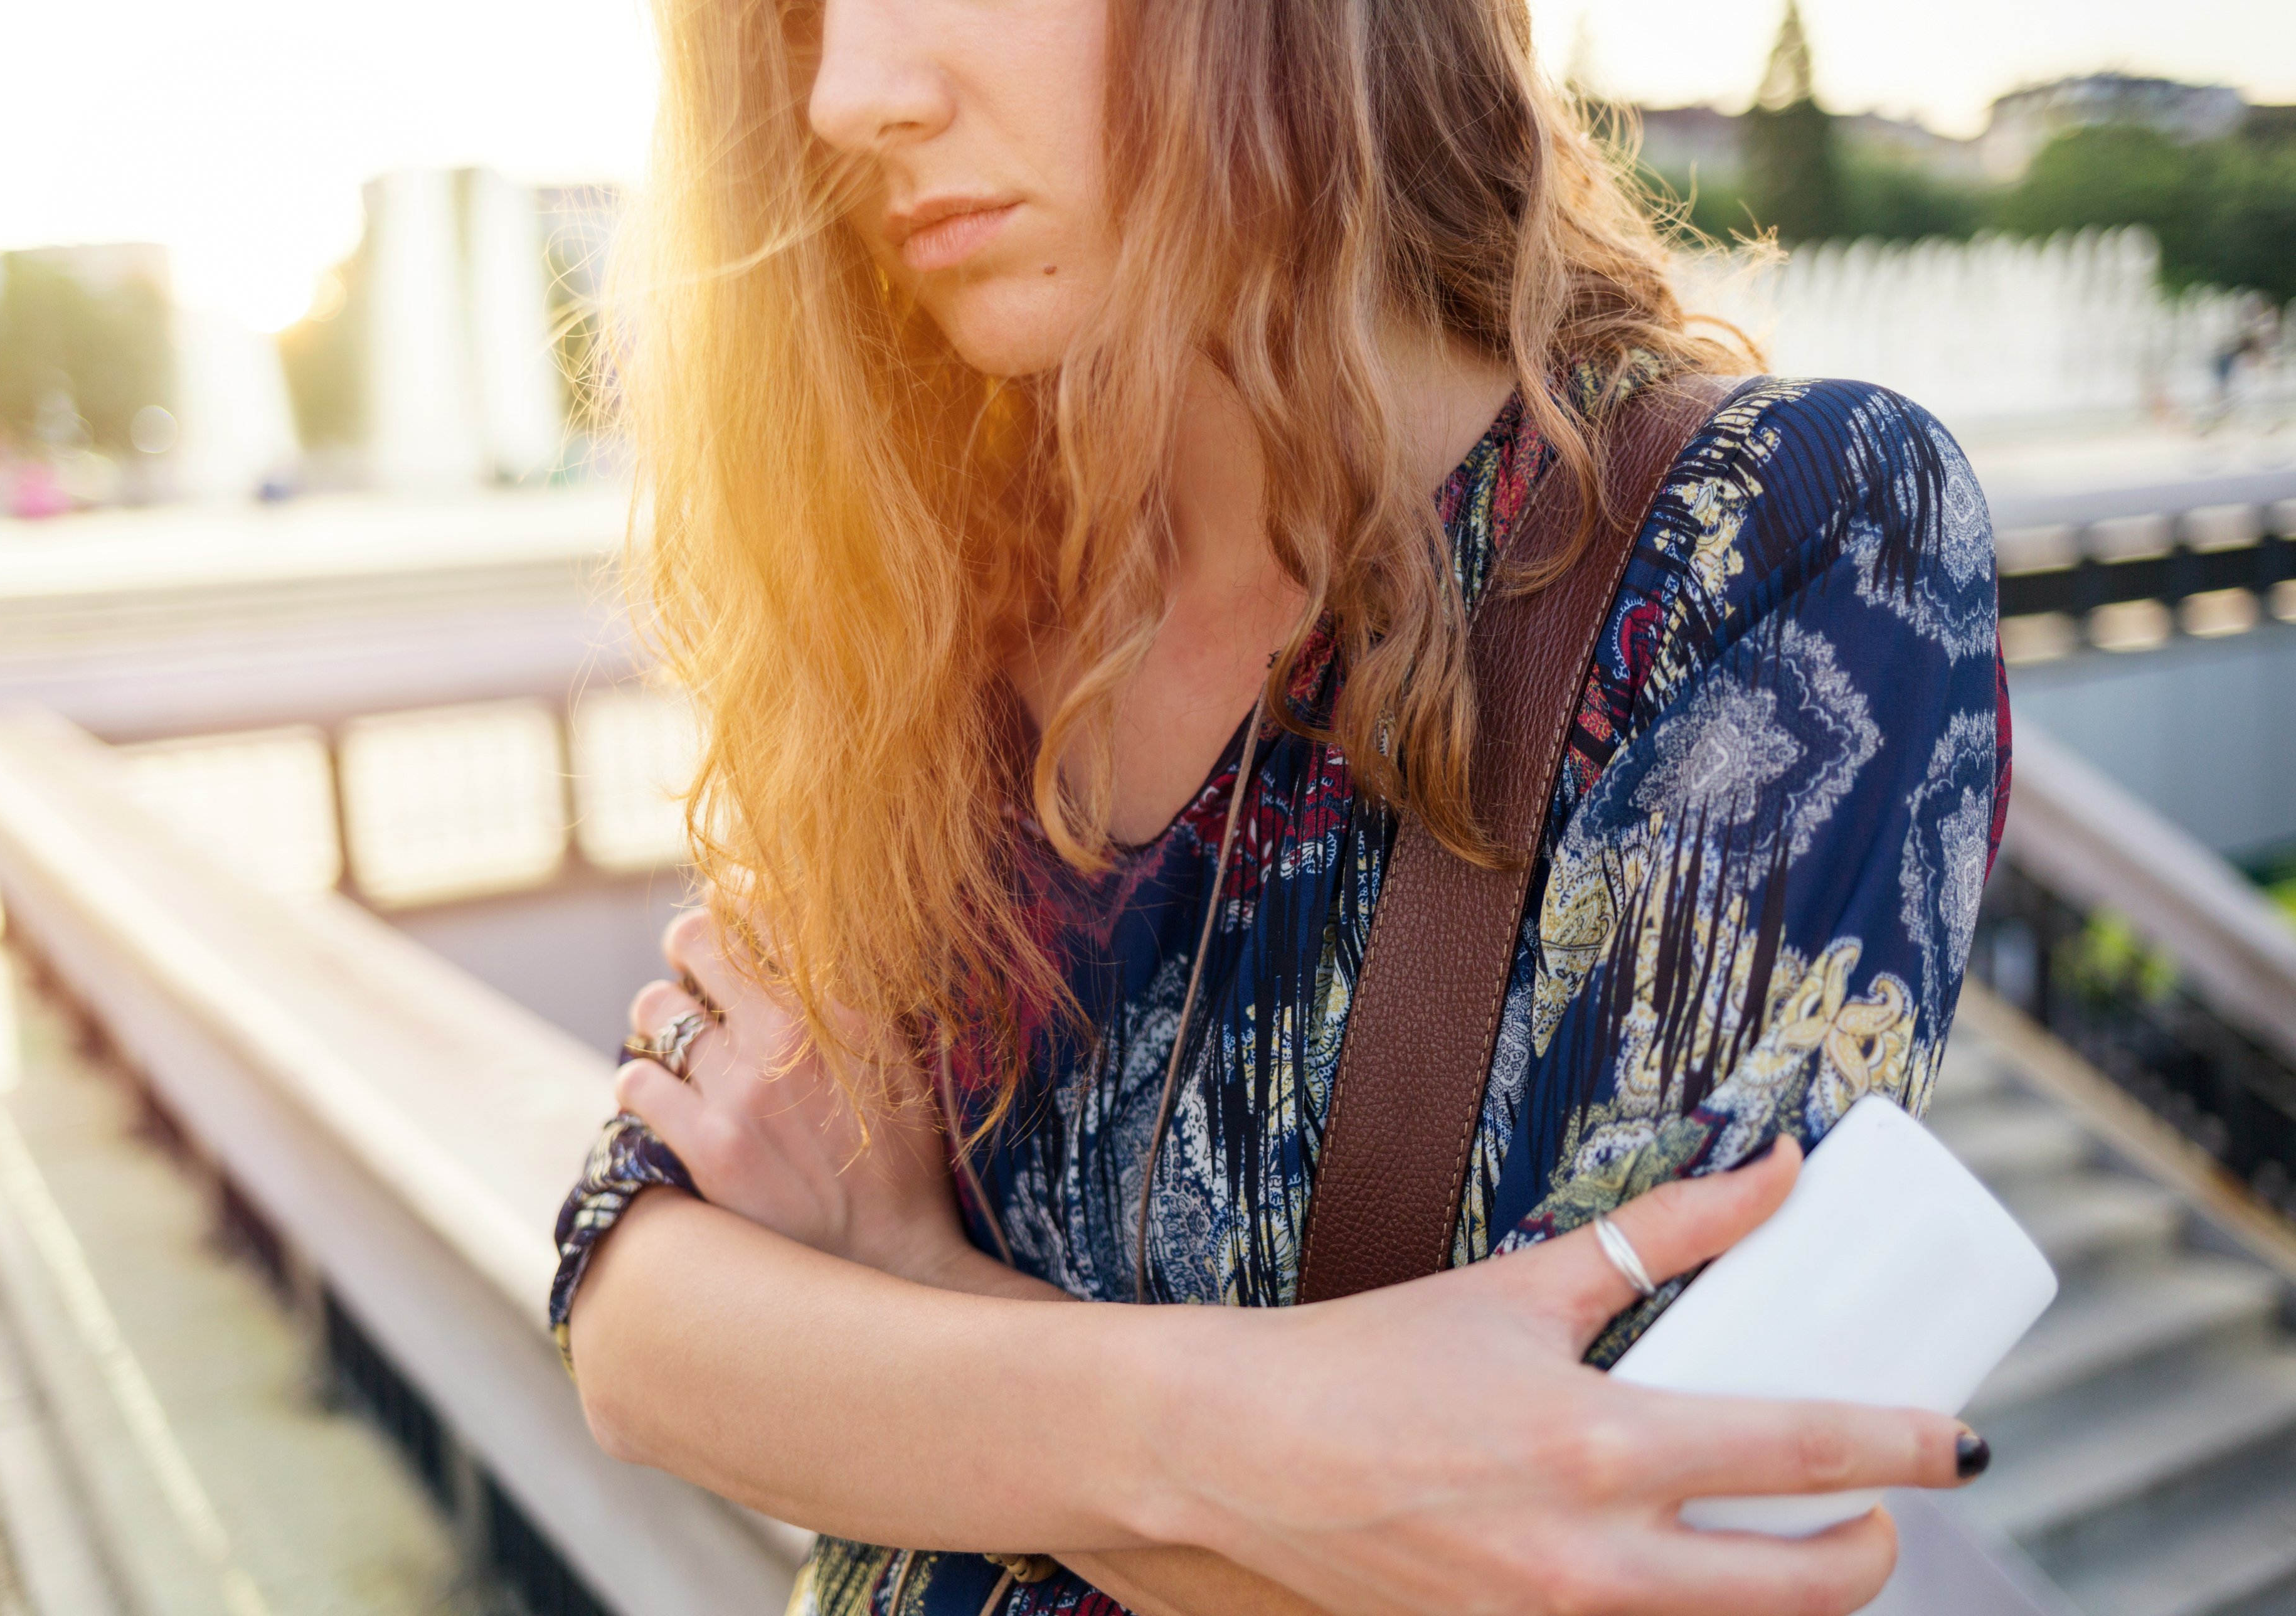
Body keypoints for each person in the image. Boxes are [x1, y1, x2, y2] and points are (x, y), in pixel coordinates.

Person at [553, 0, 2012, 1608]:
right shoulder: (922, 603)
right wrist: (1293, 1449)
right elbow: (633, 1319)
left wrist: (900, 1278)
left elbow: (1601, 1551)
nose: (847, 96)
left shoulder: (1769, 539)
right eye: (796, 15)